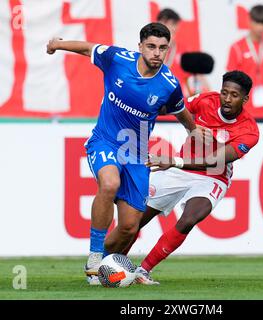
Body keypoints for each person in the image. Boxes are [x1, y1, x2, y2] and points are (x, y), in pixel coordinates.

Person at [46, 23, 205, 285]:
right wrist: (57, 44)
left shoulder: (168, 84)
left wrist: (193, 129)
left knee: (130, 226)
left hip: (136, 155)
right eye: (151, 46)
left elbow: (179, 110)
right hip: (105, 141)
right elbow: (88, 49)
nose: (157, 53)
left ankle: (106, 268)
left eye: (163, 48)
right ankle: (95, 257)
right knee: (109, 183)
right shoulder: (117, 59)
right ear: (140, 46)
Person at [123, 70, 260, 285]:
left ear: (245, 99)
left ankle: (143, 270)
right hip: (179, 170)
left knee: (189, 219)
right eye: (224, 92)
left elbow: (216, 160)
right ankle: (108, 264)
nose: (227, 99)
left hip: (213, 177)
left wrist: (174, 161)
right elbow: (175, 108)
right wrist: (144, 105)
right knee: (136, 218)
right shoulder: (206, 100)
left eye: (234, 95)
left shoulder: (249, 131)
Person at [157, 8, 210, 97]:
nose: (174, 28)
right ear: (161, 23)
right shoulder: (148, 48)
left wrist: (209, 97)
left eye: (176, 25)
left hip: (176, 103)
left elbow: (199, 78)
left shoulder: (183, 51)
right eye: (172, 24)